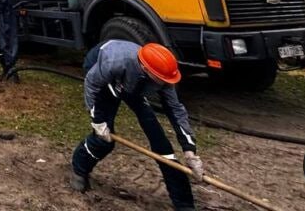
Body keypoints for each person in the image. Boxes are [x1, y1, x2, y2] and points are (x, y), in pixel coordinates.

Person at [70, 40, 205, 211]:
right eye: (161, 79)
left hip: (133, 83)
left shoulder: (163, 76)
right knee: (105, 139)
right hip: (102, 73)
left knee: (164, 149)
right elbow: (92, 84)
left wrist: (189, 150)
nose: (165, 83)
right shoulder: (114, 61)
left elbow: (175, 109)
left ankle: (184, 205)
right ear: (147, 69)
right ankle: (79, 169)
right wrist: (97, 121)